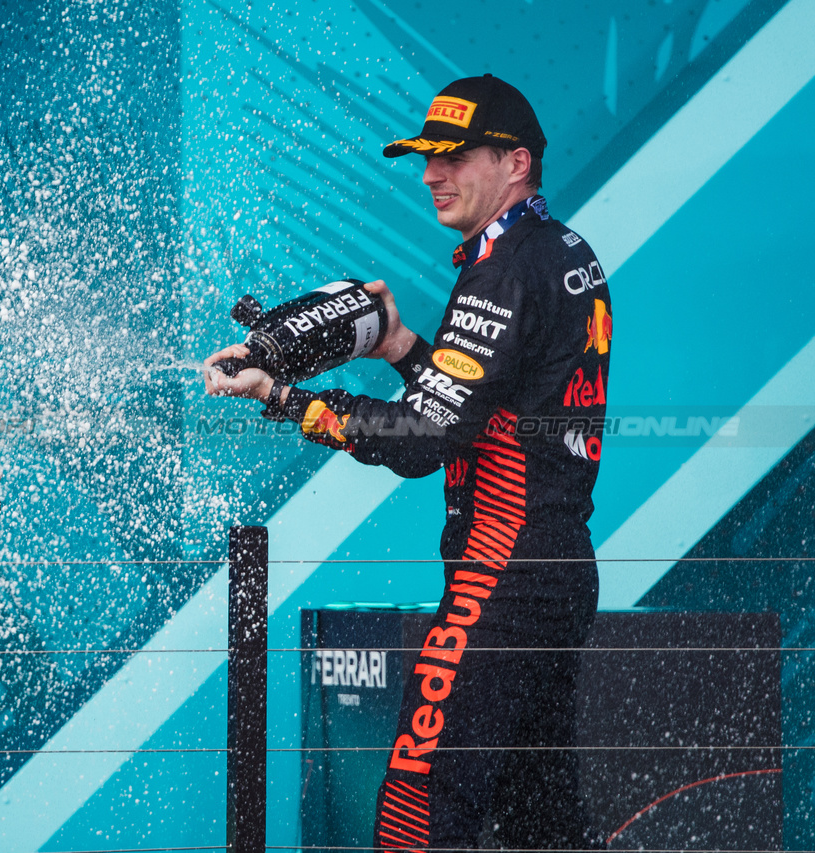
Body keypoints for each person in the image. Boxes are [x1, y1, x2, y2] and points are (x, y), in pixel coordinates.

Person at [204, 75, 611, 849]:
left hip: (499, 577)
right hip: (557, 574)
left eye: (454, 157)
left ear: (516, 162)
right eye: (427, 158)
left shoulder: (500, 272)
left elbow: (427, 441)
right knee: (541, 824)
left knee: (415, 809)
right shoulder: (566, 252)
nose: (431, 174)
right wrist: (399, 345)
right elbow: (488, 413)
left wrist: (290, 400)